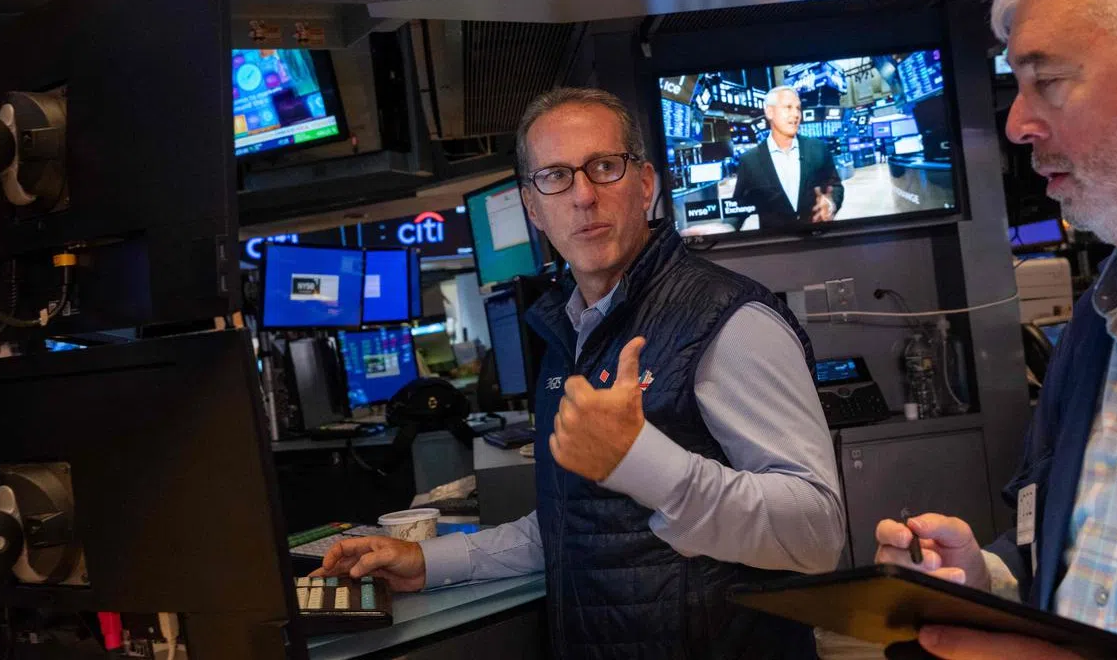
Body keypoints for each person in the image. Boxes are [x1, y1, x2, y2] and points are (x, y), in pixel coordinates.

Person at [315, 87, 845, 659]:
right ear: (533, 208)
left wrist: (642, 460)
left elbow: (816, 534)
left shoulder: (730, 319)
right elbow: (576, 527)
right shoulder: (570, 333)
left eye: (604, 167)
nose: (584, 196)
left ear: (645, 184)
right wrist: (426, 562)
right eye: (556, 177)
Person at [874, 0, 1117, 659]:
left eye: (1047, 81)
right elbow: (1077, 552)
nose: (1016, 123)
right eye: (1014, 86)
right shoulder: (1098, 324)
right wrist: (985, 579)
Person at [728, 86, 843, 230]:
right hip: (776, 246)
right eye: (788, 107)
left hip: (816, 240)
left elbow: (836, 186)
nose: (795, 114)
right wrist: (726, 228)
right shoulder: (750, 161)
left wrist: (831, 203)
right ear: (769, 112)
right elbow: (737, 208)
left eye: (798, 108)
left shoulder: (818, 148)